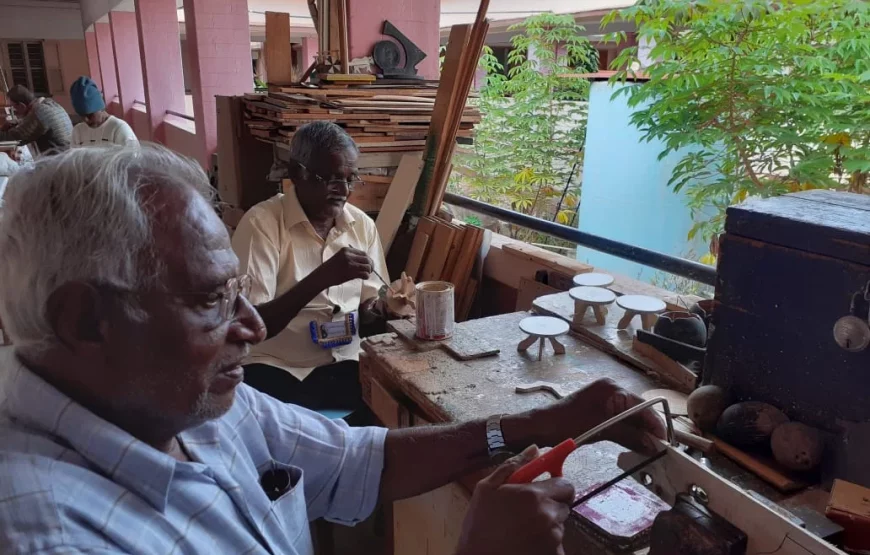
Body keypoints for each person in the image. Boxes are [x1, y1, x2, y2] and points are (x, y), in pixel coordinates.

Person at [0, 145, 664, 555]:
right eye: (209, 299)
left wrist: (543, 421)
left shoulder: (186, 399)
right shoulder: (51, 534)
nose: (250, 327)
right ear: (87, 320)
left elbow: (354, 462)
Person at [232, 121, 390, 410]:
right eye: (329, 178)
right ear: (296, 173)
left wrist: (383, 308)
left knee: (395, 404)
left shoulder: (361, 226)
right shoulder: (262, 224)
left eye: (350, 179)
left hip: (345, 362)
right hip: (278, 365)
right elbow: (250, 325)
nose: (342, 190)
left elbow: (370, 306)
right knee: (284, 420)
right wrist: (321, 279)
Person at [0, 84, 72, 153]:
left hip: (59, 161)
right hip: (68, 155)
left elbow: (15, 137)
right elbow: (32, 122)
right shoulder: (50, 104)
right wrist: (16, 122)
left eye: (14, 108)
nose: (15, 112)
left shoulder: (40, 111)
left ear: (22, 106)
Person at [69, 76, 138, 147]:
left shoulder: (119, 129)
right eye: (82, 115)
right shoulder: (78, 132)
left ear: (100, 108)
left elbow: (133, 156)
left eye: (90, 115)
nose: (86, 120)